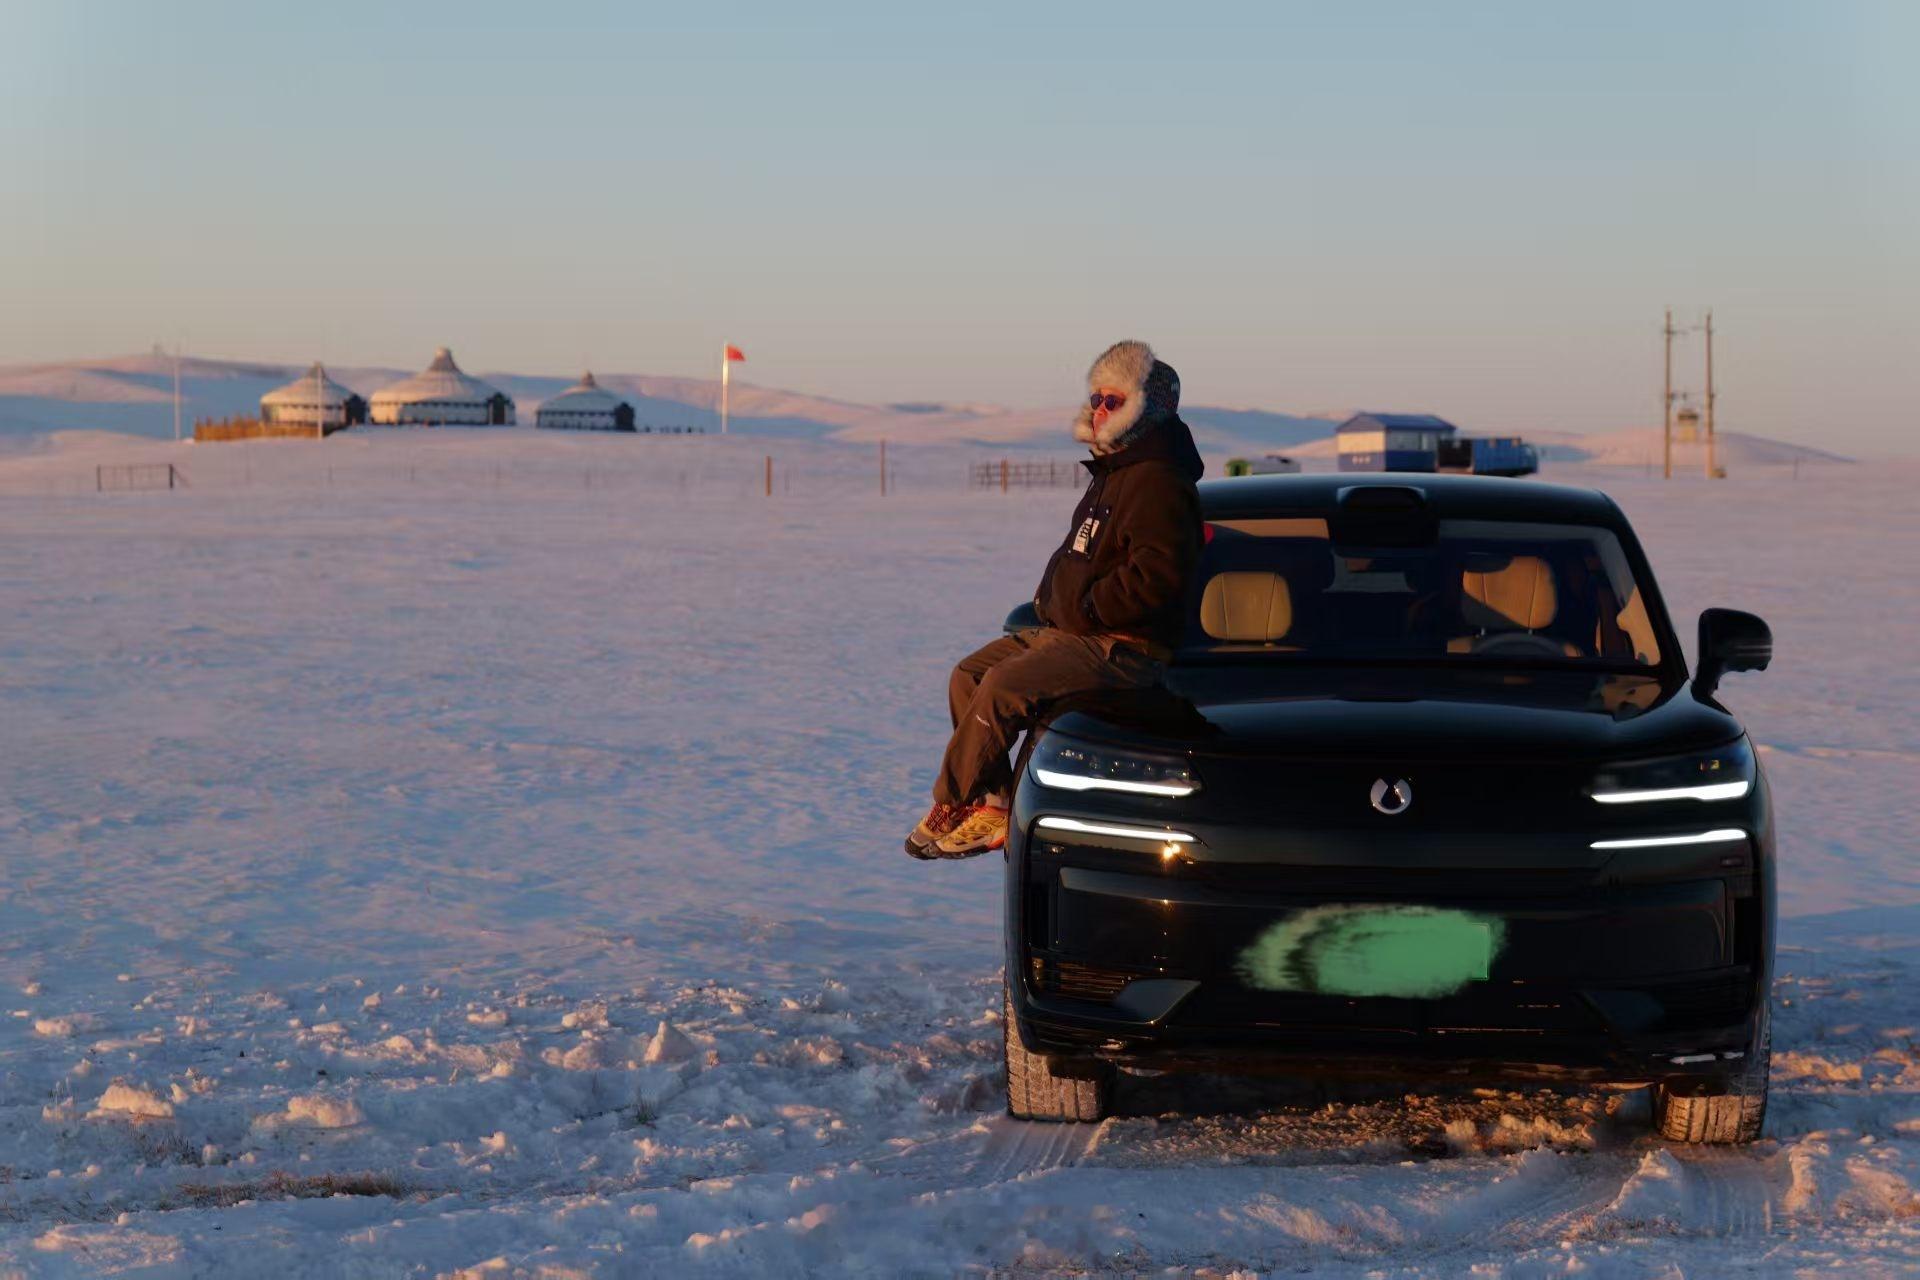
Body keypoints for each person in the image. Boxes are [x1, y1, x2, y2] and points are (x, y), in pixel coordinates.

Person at [907, 341, 1206, 859]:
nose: (1099, 410)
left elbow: (1157, 578)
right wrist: (1054, 601)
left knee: (1003, 686)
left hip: (1122, 646)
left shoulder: (1157, 482)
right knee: (969, 675)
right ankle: (992, 806)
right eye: (1097, 398)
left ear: (1145, 409)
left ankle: (953, 800)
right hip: (1076, 631)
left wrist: (1087, 610)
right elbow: (1083, 558)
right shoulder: (1116, 474)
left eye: (1113, 401)